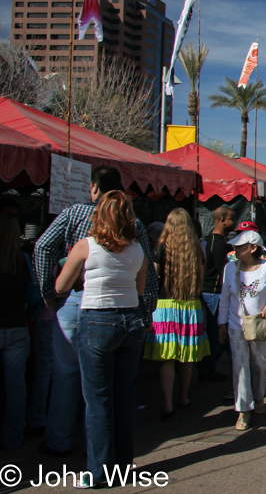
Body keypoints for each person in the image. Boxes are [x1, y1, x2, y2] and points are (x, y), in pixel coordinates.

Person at [32, 165, 157, 458]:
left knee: (67, 376)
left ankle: (60, 440)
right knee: (110, 388)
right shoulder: (133, 223)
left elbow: (42, 247)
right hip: (122, 307)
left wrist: (48, 293)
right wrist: (146, 312)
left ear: (93, 188)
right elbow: (147, 277)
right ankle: (107, 453)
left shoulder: (73, 214)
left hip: (76, 301)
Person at [54, 191, 148, 488]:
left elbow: (60, 286)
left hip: (97, 319)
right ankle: (122, 464)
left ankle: (98, 471)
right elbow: (140, 287)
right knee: (123, 397)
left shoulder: (86, 246)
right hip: (131, 320)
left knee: (97, 400)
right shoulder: (137, 249)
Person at [144, 208, 211, 420]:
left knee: (167, 358)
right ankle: (183, 396)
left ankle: (166, 403)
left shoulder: (160, 248)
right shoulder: (196, 249)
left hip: (164, 305)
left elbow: (153, 277)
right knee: (187, 357)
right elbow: (200, 279)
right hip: (190, 305)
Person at [218, 228, 266, 430]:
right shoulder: (230, 269)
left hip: (261, 325)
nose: (235, 250)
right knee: (240, 368)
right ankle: (243, 410)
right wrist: (222, 324)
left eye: (239, 247)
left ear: (253, 248)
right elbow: (224, 298)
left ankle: (258, 397)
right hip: (236, 325)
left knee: (262, 365)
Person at [0, 215, 31, 449]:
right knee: (16, 385)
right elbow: (32, 297)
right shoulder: (22, 261)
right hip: (18, 326)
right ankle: (12, 436)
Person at [198, 206, 235, 383]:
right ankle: (207, 367)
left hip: (213, 293)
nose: (233, 222)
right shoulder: (217, 243)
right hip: (214, 293)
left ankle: (208, 366)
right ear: (222, 220)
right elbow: (221, 271)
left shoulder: (213, 241)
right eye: (231, 219)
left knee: (216, 333)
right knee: (217, 333)